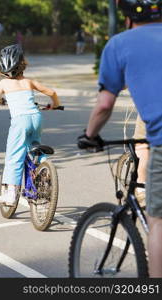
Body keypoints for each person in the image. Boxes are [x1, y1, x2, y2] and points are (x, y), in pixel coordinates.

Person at [77, 0, 162, 278]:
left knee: (157, 222)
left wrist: (90, 136)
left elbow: (103, 105)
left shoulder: (119, 44)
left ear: (126, 18)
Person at [0, 44, 61, 207]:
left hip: (20, 121)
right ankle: (44, 170)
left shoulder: (4, 84)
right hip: (36, 118)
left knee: (14, 156)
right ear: (23, 64)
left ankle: (12, 194)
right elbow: (52, 93)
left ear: (1, 70)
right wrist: (55, 105)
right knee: (35, 147)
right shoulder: (29, 82)